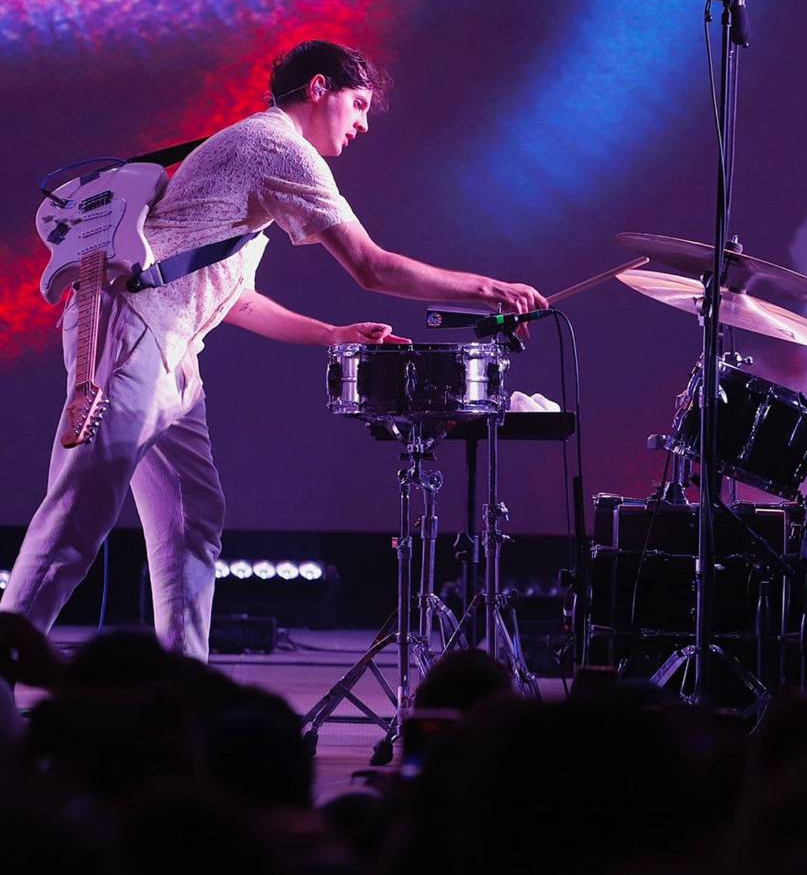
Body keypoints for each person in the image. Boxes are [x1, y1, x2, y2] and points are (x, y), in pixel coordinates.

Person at [1, 40, 547, 660]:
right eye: (359, 103)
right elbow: (371, 266)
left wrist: (333, 335)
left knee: (191, 524)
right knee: (74, 521)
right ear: (319, 89)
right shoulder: (276, 146)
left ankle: (181, 686)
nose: (363, 122)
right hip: (133, 339)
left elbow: (234, 300)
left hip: (172, 351)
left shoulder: (253, 158)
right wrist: (489, 290)